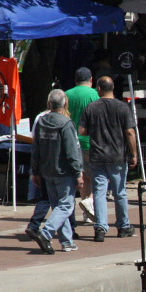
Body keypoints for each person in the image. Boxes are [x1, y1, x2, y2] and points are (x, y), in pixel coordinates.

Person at [80, 76, 138, 241]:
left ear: (99, 88)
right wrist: (133, 154)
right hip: (118, 155)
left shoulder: (91, 107)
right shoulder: (122, 107)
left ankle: (100, 228)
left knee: (99, 192)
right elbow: (130, 132)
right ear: (113, 88)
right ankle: (123, 226)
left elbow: (82, 131)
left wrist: (95, 131)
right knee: (120, 192)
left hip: (97, 155)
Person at [30, 89, 83, 254]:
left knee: (58, 207)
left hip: (47, 171)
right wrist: (78, 172)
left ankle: (67, 241)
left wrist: (35, 171)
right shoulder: (66, 123)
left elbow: (36, 149)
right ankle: (46, 233)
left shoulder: (41, 121)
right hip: (63, 172)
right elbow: (72, 151)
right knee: (65, 206)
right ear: (65, 103)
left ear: (49, 103)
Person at [66, 67, 99, 224]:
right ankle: (90, 203)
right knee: (97, 177)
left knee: (83, 178)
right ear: (91, 80)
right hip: (91, 141)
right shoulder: (94, 94)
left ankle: (87, 212)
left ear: (75, 80)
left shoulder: (67, 94)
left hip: (72, 141)